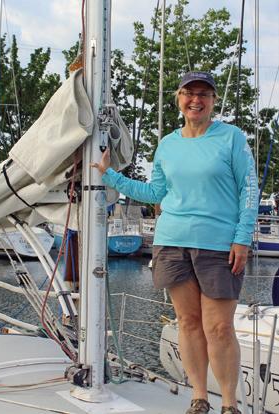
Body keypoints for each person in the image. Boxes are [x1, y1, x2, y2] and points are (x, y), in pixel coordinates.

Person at [92, 71, 258, 414]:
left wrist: (242, 238)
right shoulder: (167, 144)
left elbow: (249, 189)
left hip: (219, 244)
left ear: (213, 101)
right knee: (188, 322)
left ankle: (229, 404)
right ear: (178, 99)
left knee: (219, 327)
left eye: (204, 94)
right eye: (189, 93)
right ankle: (199, 398)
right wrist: (109, 175)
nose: (196, 100)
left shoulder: (230, 137)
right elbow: (156, 192)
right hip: (171, 243)